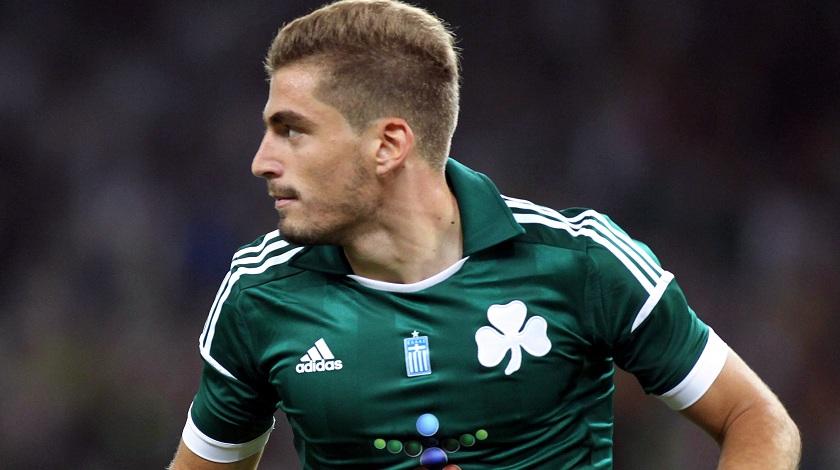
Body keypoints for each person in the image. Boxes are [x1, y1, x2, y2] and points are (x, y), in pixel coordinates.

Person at [169, 1, 800, 468]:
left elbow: (756, 419)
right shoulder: (259, 295)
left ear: (388, 145)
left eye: (292, 130)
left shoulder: (580, 261)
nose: (262, 161)